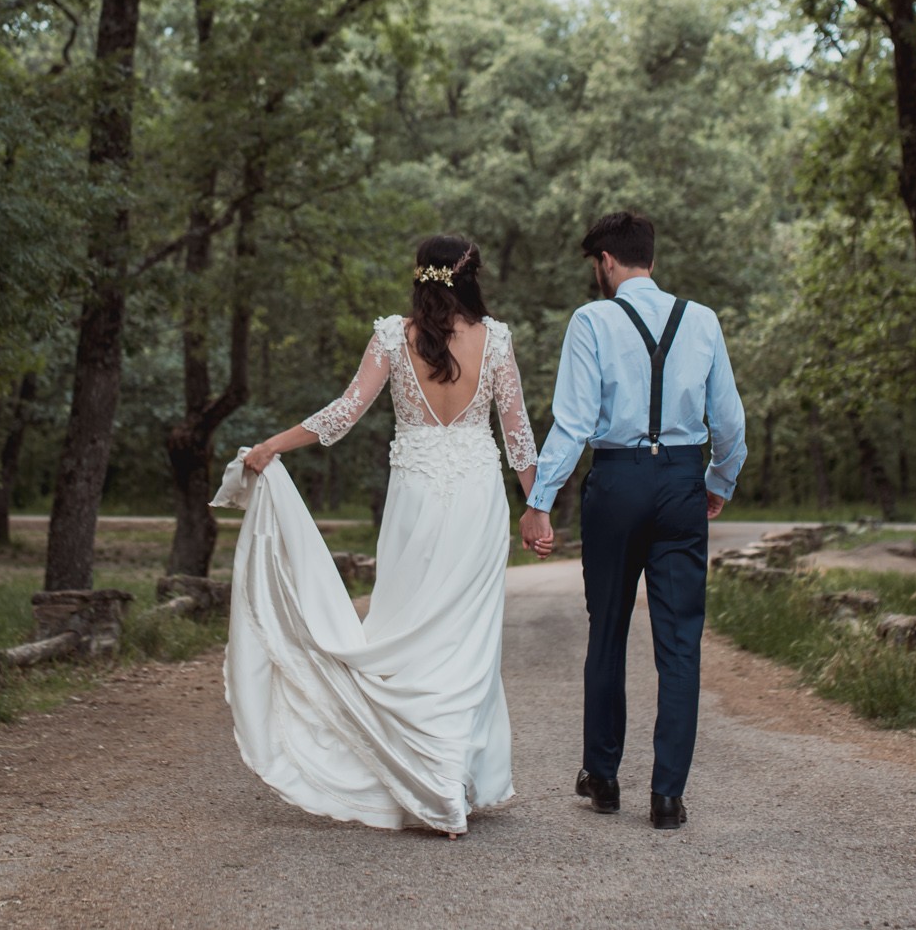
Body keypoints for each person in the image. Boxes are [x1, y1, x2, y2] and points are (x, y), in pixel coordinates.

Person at [221, 234, 540, 838]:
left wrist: (272, 445)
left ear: (420, 277)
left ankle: (430, 778)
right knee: (465, 644)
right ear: (470, 278)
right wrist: (538, 507)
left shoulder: (394, 337)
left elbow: (344, 412)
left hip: (415, 498)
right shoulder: (495, 339)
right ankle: (447, 783)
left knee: (407, 633)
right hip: (477, 499)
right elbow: (518, 436)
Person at [518, 210, 746, 831]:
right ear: (652, 258)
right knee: (680, 642)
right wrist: (718, 482)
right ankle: (667, 796)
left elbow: (573, 421)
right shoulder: (702, 320)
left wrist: (540, 502)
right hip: (682, 482)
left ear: (607, 262)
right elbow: (729, 422)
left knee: (608, 631)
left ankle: (604, 778)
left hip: (617, 481)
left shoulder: (592, 320)